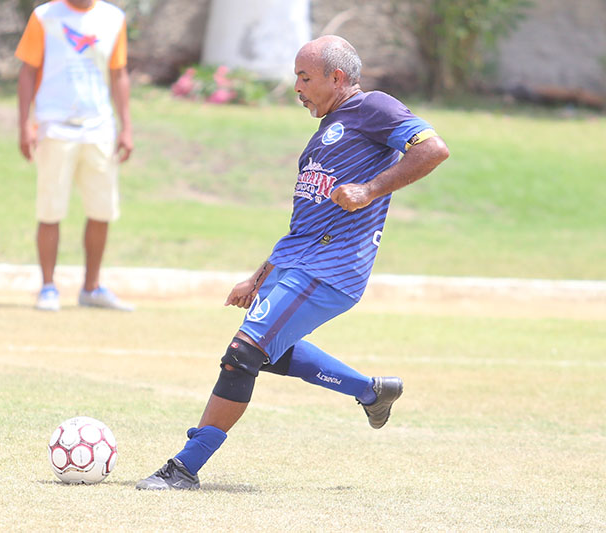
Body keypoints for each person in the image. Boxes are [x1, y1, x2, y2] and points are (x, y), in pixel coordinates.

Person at [136, 35, 450, 490]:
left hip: (330, 267)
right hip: (300, 260)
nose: (297, 88)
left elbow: (433, 149)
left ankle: (184, 467)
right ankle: (371, 391)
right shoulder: (323, 137)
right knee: (271, 351)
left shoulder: (374, 107)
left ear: (336, 77)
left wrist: (370, 190)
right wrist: (259, 275)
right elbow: (304, 224)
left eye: (305, 77)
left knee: (242, 355)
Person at [15, 0, 134, 312]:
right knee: (50, 209)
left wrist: (126, 128)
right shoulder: (44, 16)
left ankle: (91, 288)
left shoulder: (113, 18)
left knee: (101, 210)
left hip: (99, 128)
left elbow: (119, 73)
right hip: (55, 126)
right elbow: (28, 71)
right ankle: (48, 286)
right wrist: (24, 123)